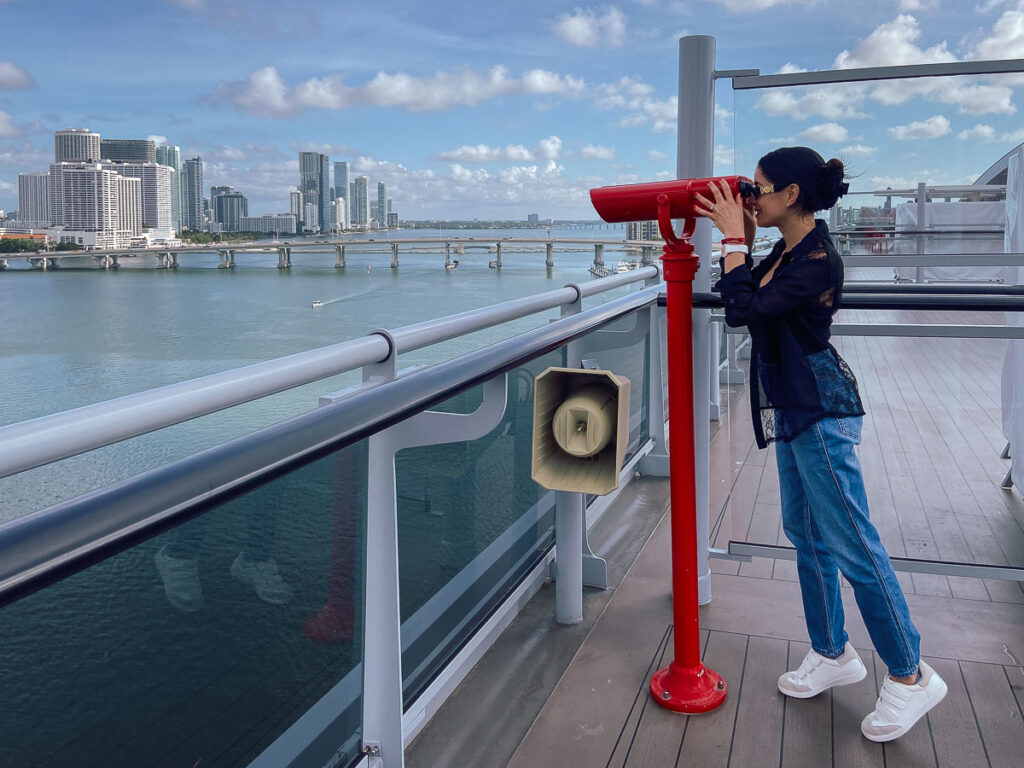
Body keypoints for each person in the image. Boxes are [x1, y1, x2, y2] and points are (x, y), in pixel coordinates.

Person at [695, 147, 947, 743]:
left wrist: (734, 239)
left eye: (756, 189)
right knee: (807, 537)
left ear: (791, 196)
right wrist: (746, 241)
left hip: (822, 413)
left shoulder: (816, 261)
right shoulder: (785, 251)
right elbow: (747, 300)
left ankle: (911, 675)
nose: (749, 199)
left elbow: (740, 311)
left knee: (854, 545)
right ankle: (834, 653)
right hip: (795, 407)